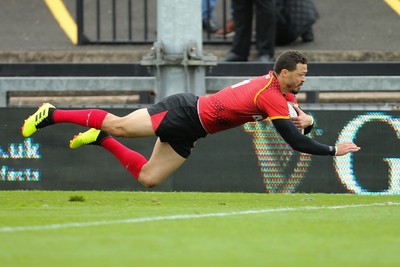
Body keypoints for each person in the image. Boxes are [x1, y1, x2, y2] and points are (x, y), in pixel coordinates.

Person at [21, 50, 360, 188]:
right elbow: (294, 140)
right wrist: (334, 150)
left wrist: (309, 119)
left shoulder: (279, 89)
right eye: (301, 75)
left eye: (306, 75)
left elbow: (301, 121)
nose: (304, 80)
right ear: (284, 73)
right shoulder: (270, 94)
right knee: (120, 125)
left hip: (193, 130)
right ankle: (53, 113)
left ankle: (98, 139)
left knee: (149, 179)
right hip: (183, 111)